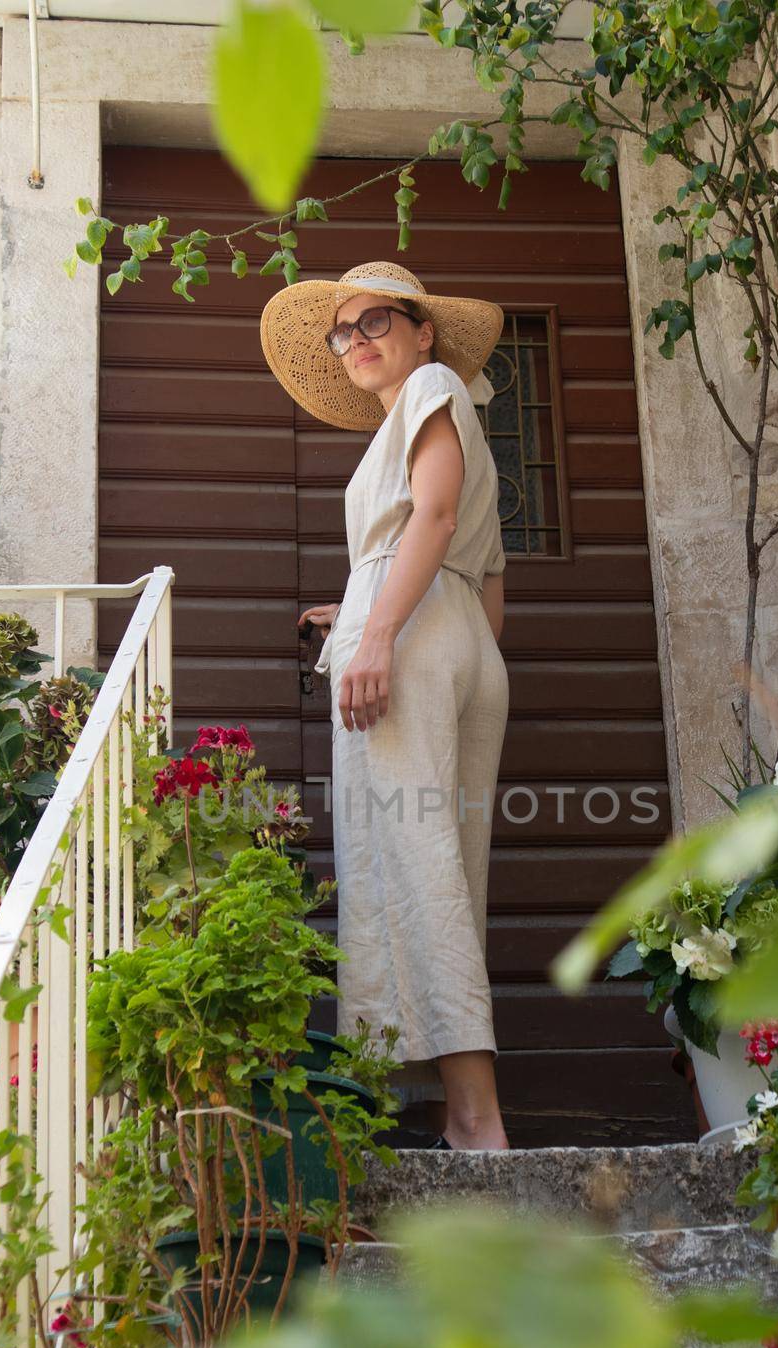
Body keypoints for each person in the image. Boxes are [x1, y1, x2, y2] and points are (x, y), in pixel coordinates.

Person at [260, 261, 510, 1152]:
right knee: (441, 863)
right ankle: (450, 1106)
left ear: (422, 330)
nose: (357, 340)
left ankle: (475, 1120)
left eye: (376, 321)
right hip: (454, 635)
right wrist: (368, 606)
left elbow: (433, 522)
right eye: (343, 331)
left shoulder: (433, 387)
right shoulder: (439, 415)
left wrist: (378, 635)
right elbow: (482, 582)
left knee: (408, 860)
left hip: (412, 636)